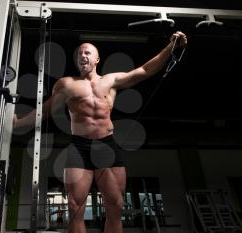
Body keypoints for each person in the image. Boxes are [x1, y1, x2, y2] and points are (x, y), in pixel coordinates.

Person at [13, 31, 187, 233]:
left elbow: (146, 70)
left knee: (115, 207)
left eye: (87, 52)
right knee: (74, 207)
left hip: (107, 147)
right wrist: (19, 123)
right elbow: (47, 110)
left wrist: (171, 47)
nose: (82, 56)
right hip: (79, 148)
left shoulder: (111, 80)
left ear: (97, 59)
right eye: (79, 53)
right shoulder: (67, 84)